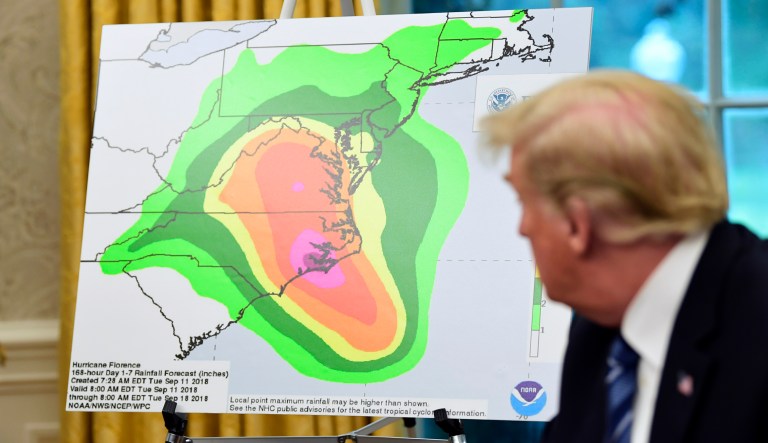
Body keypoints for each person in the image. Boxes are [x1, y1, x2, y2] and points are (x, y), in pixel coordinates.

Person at [483, 70, 768, 442]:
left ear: (577, 224)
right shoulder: (601, 329)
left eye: (524, 201)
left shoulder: (756, 325)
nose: (522, 228)